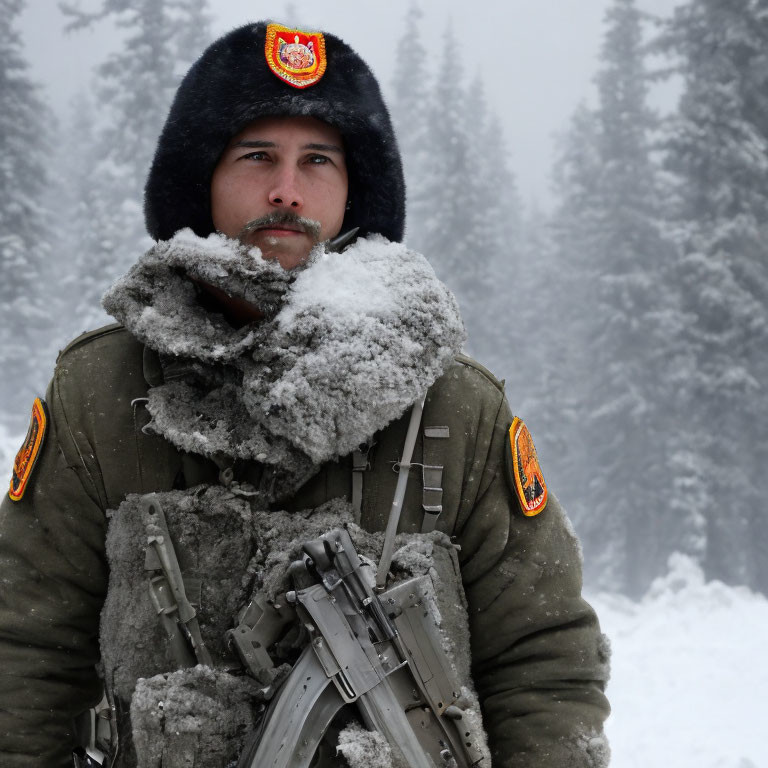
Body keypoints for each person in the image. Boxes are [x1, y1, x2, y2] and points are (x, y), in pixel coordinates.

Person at [0, 21, 610, 768]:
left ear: (355, 190)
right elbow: (26, 651)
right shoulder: (101, 393)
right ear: (203, 177)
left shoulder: (455, 405)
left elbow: (542, 658)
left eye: (317, 160)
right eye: (257, 156)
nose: (286, 189)